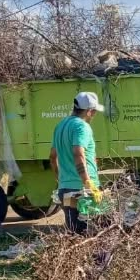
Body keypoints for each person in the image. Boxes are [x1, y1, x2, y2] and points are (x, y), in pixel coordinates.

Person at [50, 91, 104, 235]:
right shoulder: (82, 127)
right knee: (94, 235)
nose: (94, 116)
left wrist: (59, 177)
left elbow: (52, 156)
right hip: (83, 192)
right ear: (89, 111)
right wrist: (87, 182)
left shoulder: (60, 126)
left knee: (75, 232)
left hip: (65, 189)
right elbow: (78, 153)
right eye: (94, 112)